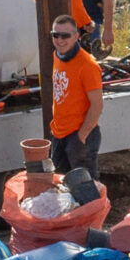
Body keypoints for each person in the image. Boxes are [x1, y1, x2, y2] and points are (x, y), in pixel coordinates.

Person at [47, 15, 105, 177]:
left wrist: (81, 137)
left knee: (85, 187)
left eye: (65, 36)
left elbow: (97, 105)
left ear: (77, 36)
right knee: (62, 185)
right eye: (55, 35)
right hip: (59, 135)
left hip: (79, 136)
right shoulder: (57, 55)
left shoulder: (88, 65)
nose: (60, 40)